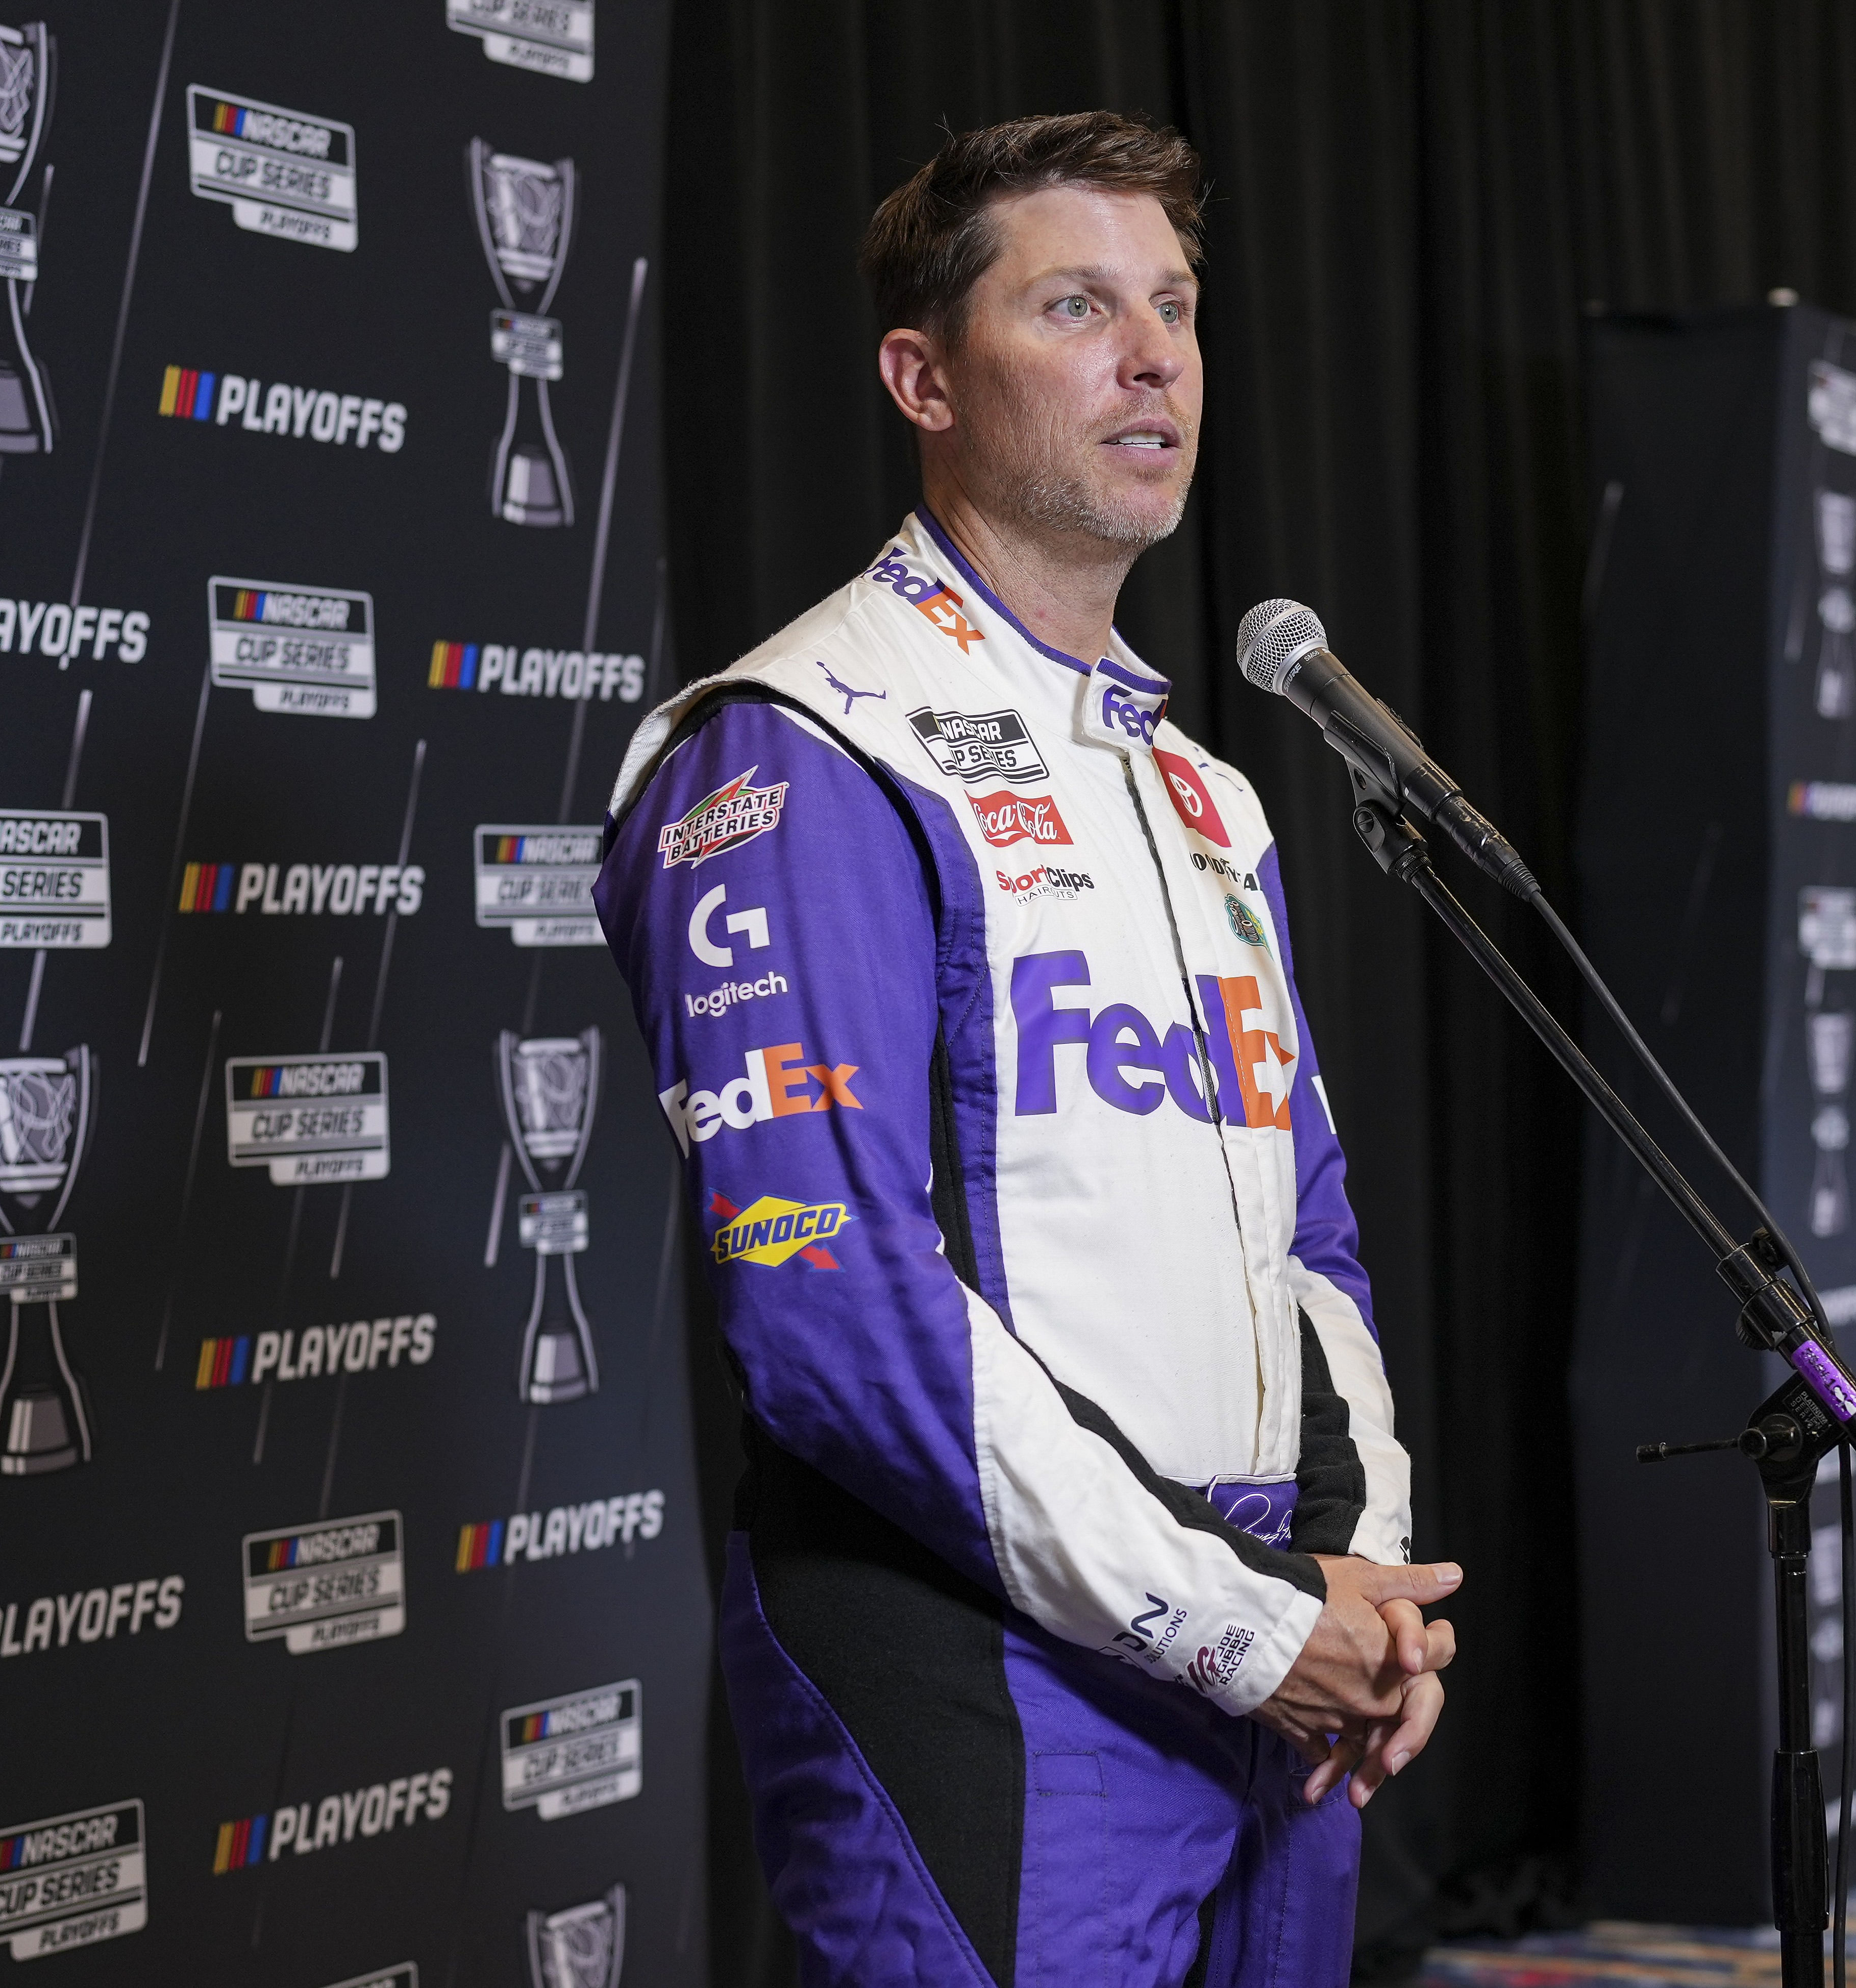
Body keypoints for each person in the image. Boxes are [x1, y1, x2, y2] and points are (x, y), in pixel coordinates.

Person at [595, 110, 1460, 1986]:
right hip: (979, 1656)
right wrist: (1228, 1626)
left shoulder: (1208, 788)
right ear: (923, 374)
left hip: (1272, 1637)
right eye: (1077, 305)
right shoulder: (799, 746)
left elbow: (1303, 1239)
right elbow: (831, 1303)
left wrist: (1358, 1584)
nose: (1154, 357)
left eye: (1175, 306)